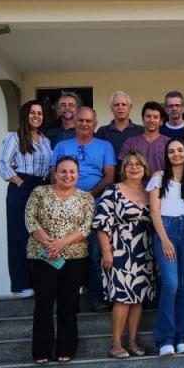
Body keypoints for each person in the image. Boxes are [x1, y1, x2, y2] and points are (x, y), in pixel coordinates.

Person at [24, 155, 94, 364]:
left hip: (74, 257)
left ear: (78, 174)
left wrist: (61, 244)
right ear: (55, 172)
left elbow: (86, 226)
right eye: (63, 171)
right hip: (41, 255)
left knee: (68, 304)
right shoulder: (40, 192)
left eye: (72, 172)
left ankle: (66, 348)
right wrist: (49, 243)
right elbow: (30, 219)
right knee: (43, 304)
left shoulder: (86, 197)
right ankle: (42, 351)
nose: (68, 175)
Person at [51, 107, 117, 309]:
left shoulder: (105, 146)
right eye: (81, 120)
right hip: (65, 203)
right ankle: (69, 299)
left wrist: (88, 196)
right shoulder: (62, 146)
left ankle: (97, 296)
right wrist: (70, 197)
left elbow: (109, 176)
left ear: (95, 124)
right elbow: (53, 174)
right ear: (75, 122)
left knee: (95, 251)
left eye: (89, 121)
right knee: (67, 251)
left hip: (96, 203)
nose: (85, 124)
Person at [94, 151, 156, 358]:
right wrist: (106, 252)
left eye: (138, 164)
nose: (134, 167)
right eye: (129, 164)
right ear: (123, 169)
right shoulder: (113, 190)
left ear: (145, 168)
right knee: (122, 298)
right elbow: (101, 223)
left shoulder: (150, 192)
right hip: (120, 249)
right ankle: (116, 343)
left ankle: (132, 341)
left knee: (138, 298)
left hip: (144, 250)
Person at [0, 100, 54, 298]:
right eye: (32, 113)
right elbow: (3, 163)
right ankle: (21, 284)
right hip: (22, 185)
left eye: (39, 113)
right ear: (24, 115)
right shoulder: (14, 138)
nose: (36, 116)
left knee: (42, 234)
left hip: (43, 186)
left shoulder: (46, 141)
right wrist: (20, 183)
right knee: (20, 234)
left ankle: (41, 280)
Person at [148, 139, 184, 356]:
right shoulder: (159, 177)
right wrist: (165, 239)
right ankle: (165, 339)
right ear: (166, 155)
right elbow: (154, 211)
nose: (176, 154)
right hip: (165, 229)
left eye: (179, 150)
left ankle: (181, 338)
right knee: (171, 284)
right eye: (171, 151)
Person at [120, 101, 170, 173]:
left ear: (161, 121)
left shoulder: (169, 143)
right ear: (143, 119)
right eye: (148, 116)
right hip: (135, 184)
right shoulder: (130, 142)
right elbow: (122, 168)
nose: (152, 120)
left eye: (156, 117)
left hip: (161, 183)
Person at [96, 91, 144, 157]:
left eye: (124, 104)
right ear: (111, 108)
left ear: (130, 107)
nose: (120, 107)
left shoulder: (141, 131)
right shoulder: (102, 132)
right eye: (116, 105)